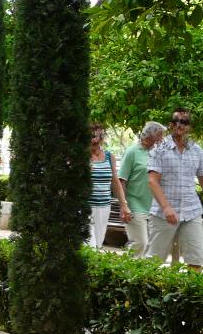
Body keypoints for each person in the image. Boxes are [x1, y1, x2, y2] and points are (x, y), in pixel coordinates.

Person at [147, 108, 203, 268]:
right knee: (153, 263)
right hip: (163, 214)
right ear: (171, 125)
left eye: (185, 122)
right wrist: (166, 207)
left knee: (196, 261)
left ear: (189, 126)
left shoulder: (197, 150)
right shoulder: (158, 149)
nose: (180, 125)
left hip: (191, 212)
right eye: (177, 121)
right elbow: (152, 181)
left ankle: (189, 293)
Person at [118, 121, 166, 256]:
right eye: (160, 136)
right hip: (135, 205)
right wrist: (123, 205)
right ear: (151, 136)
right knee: (140, 243)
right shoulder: (132, 152)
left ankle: (136, 274)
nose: (162, 139)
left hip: (153, 208)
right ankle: (122, 268)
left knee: (150, 248)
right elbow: (121, 180)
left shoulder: (157, 153)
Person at [87, 123, 129, 248]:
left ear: (102, 138)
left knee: (98, 243)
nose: (94, 141)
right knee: (90, 244)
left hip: (104, 206)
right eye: (90, 137)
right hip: (85, 206)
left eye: (97, 137)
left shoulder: (109, 156)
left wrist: (123, 205)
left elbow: (115, 182)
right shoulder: (80, 156)